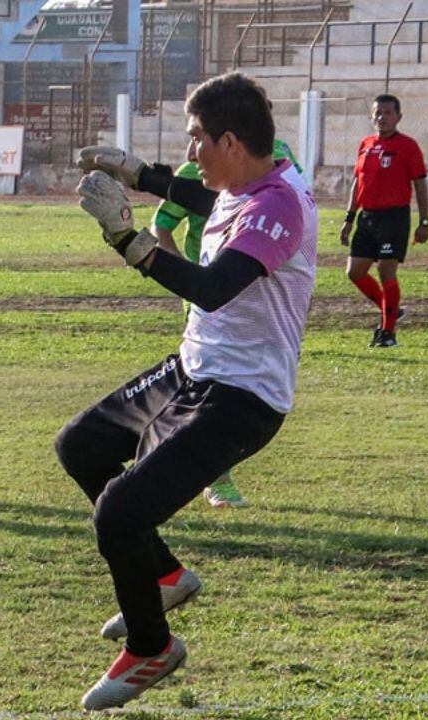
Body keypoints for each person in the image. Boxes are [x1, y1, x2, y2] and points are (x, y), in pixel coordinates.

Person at [63, 72, 317, 711]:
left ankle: (153, 648)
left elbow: (213, 287)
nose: (190, 146)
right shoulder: (248, 185)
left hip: (242, 398)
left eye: (196, 136)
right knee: (81, 447)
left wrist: (129, 240)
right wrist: (138, 173)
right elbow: (208, 204)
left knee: (120, 512)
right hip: (194, 368)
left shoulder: (278, 204)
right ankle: (167, 576)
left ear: (230, 142)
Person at [148, 139, 301, 510]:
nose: (193, 148)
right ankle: (215, 479)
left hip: (255, 296)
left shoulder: (280, 159)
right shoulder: (195, 173)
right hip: (209, 295)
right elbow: (160, 225)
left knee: (243, 391)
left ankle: (189, 463)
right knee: (213, 387)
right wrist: (186, 272)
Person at [339, 94, 428, 348]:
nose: (382, 118)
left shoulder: (408, 146)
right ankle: (389, 308)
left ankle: (387, 333)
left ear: (398, 117)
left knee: (385, 271)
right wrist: (349, 218)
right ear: (372, 116)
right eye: (378, 113)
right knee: (354, 272)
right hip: (367, 217)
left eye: (388, 113)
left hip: (394, 217)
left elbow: (420, 183)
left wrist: (424, 222)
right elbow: (358, 181)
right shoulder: (366, 144)